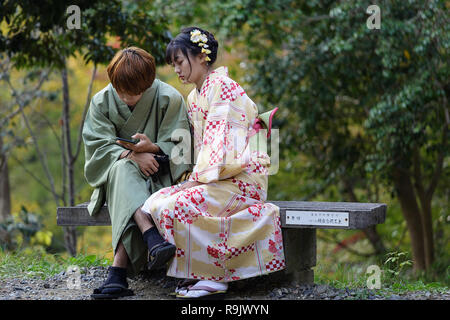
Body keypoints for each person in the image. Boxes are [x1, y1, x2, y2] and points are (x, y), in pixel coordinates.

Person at [140, 27, 286, 299]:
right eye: (173, 65)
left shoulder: (224, 87)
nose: (177, 70)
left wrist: (197, 179)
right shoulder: (195, 96)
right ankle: (194, 273)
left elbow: (222, 142)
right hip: (216, 177)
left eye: (180, 62)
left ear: (201, 57)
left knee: (177, 203)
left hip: (242, 180)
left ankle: (216, 279)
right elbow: (200, 147)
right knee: (154, 202)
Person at [82, 46, 192, 299]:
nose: (129, 99)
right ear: (113, 82)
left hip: (160, 177)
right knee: (122, 169)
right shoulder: (101, 101)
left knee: (123, 178)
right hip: (117, 178)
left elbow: (183, 150)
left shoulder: (169, 98)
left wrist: (152, 148)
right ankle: (151, 236)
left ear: (150, 83)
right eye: (123, 93)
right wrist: (131, 155)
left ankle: (117, 272)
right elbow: (97, 146)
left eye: (137, 93)